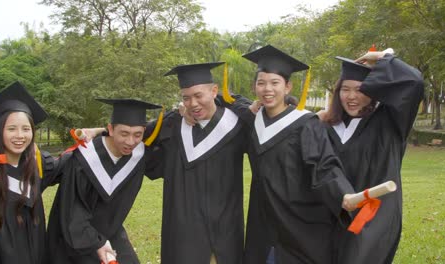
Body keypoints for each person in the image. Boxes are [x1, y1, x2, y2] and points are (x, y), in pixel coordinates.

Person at [222, 45, 356, 264]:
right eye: (261, 83)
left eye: (275, 83)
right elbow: (229, 100)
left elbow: (323, 165)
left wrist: (343, 193)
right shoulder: (253, 121)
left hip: (298, 219)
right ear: (255, 87)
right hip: (263, 220)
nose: (267, 89)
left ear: (288, 87)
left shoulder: (305, 124)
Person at [319, 50, 424, 263]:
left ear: (373, 91)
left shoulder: (391, 121)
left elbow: (414, 83)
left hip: (374, 218)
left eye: (360, 89)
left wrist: (383, 59)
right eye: (345, 89)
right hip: (332, 215)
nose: (351, 96)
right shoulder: (327, 126)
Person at [147, 62, 248, 264]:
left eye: (199, 95)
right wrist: (100, 132)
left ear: (214, 91)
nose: (193, 103)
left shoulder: (237, 125)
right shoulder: (174, 124)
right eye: (186, 98)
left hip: (225, 226)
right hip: (184, 231)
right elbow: (135, 137)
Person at [46, 98, 163, 264]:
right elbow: (73, 213)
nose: (131, 142)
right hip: (74, 239)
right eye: (124, 133)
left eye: (138, 135)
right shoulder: (84, 159)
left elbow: (164, 130)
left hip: (111, 233)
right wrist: (97, 243)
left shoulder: (138, 156)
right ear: (110, 129)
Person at [0, 82, 68, 264]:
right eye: (11, 129)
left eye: (26, 129)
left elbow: (72, 161)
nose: (20, 136)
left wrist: (96, 134)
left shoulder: (38, 167)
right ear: (0, 131)